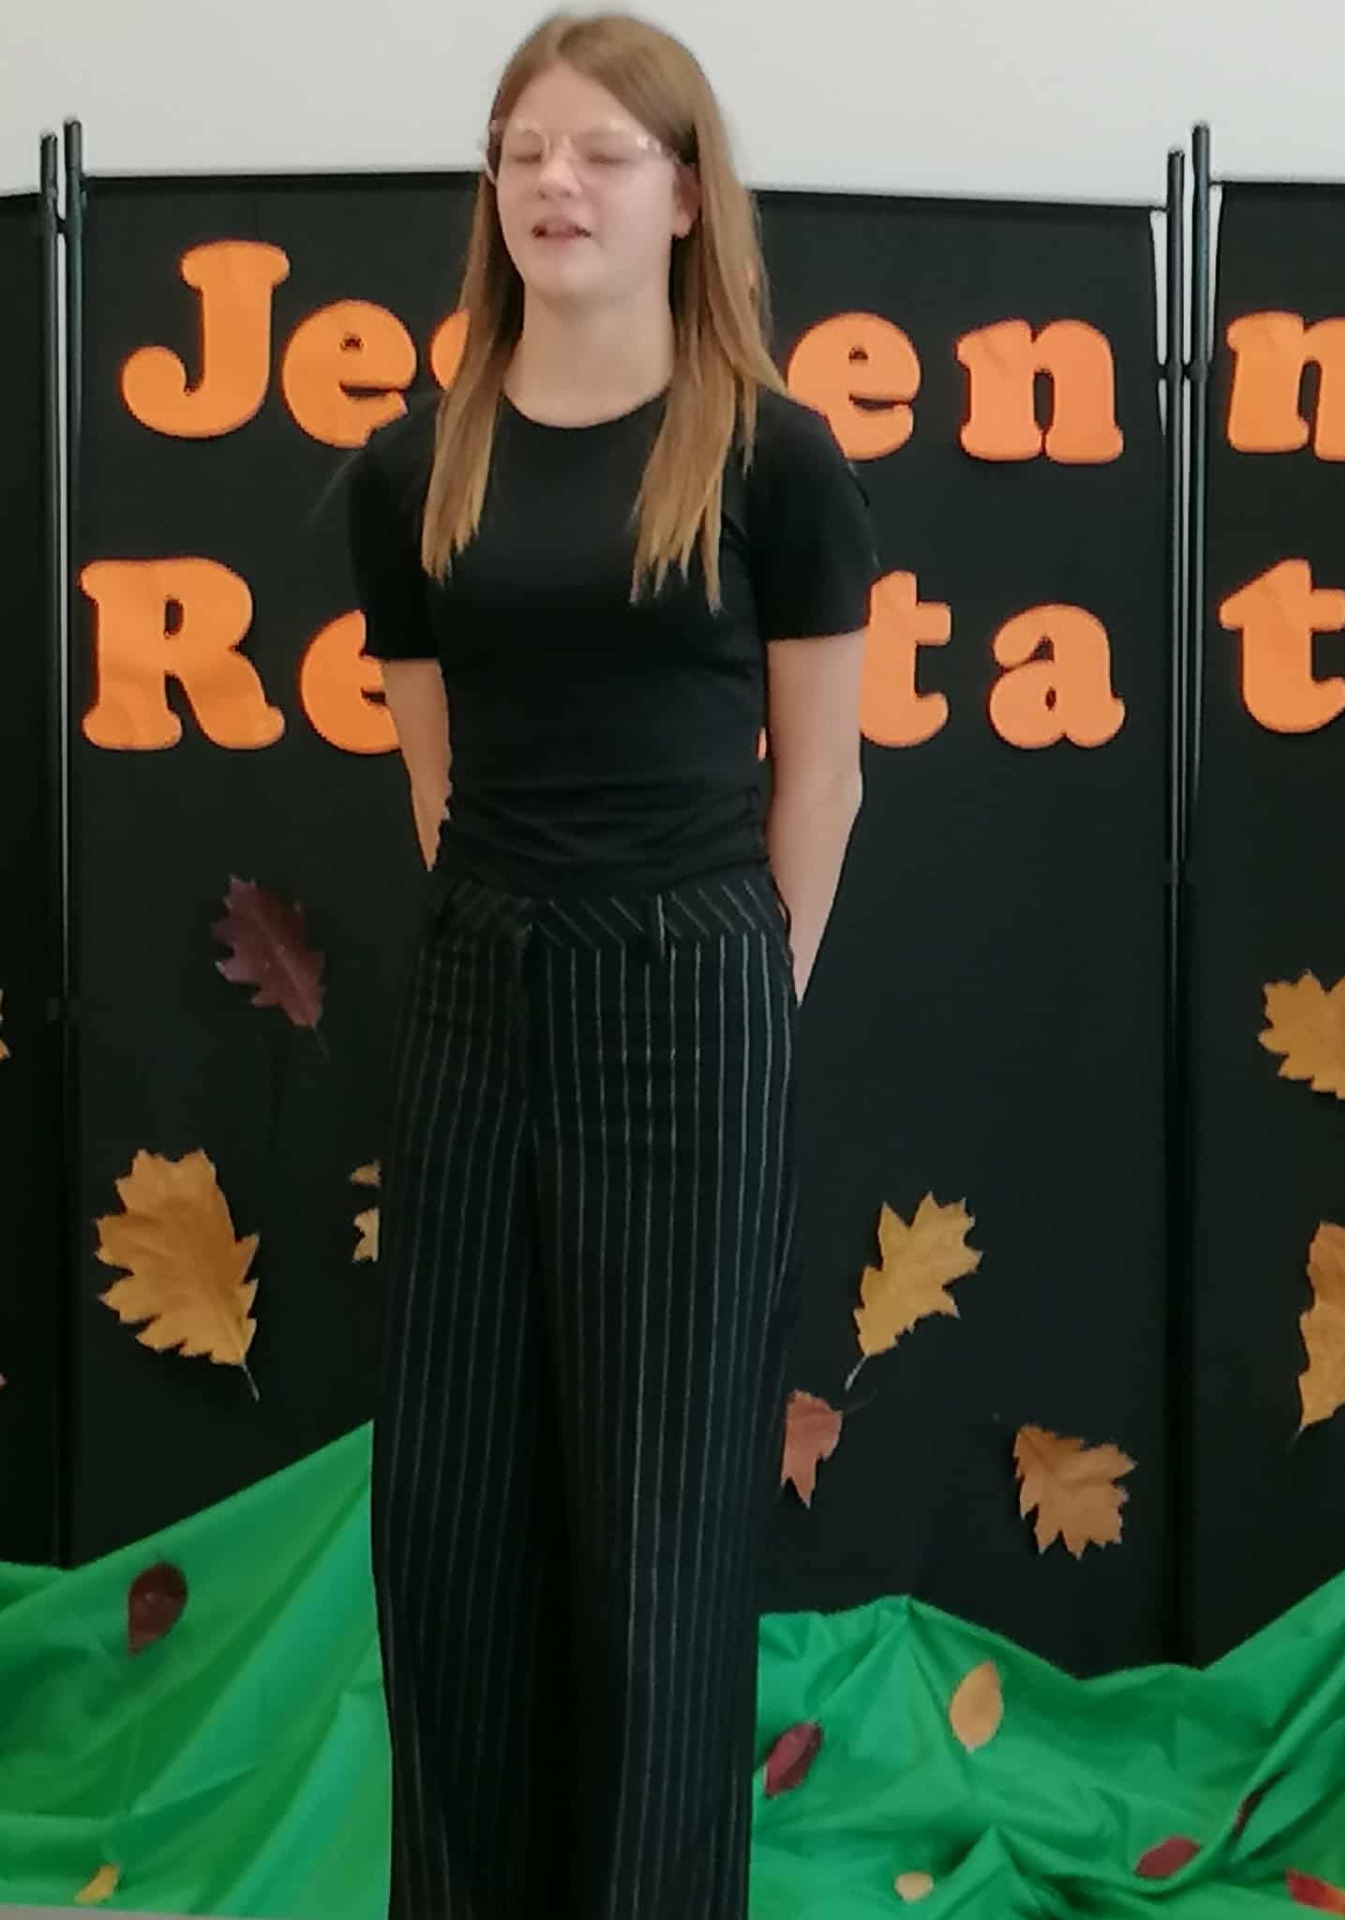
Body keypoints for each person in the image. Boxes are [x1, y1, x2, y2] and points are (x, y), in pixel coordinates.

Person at [344, 11, 876, 1917]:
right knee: (453, 1521)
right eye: (521, 151)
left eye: (597, 151)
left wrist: (741, 997)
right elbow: (433, 774)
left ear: (684, 195)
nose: (552, 182)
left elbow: (820, 777)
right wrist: (524, 942)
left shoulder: (775, 460)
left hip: (697, 996)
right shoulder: (410, 467)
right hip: (479, 993)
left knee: (661, 1540)